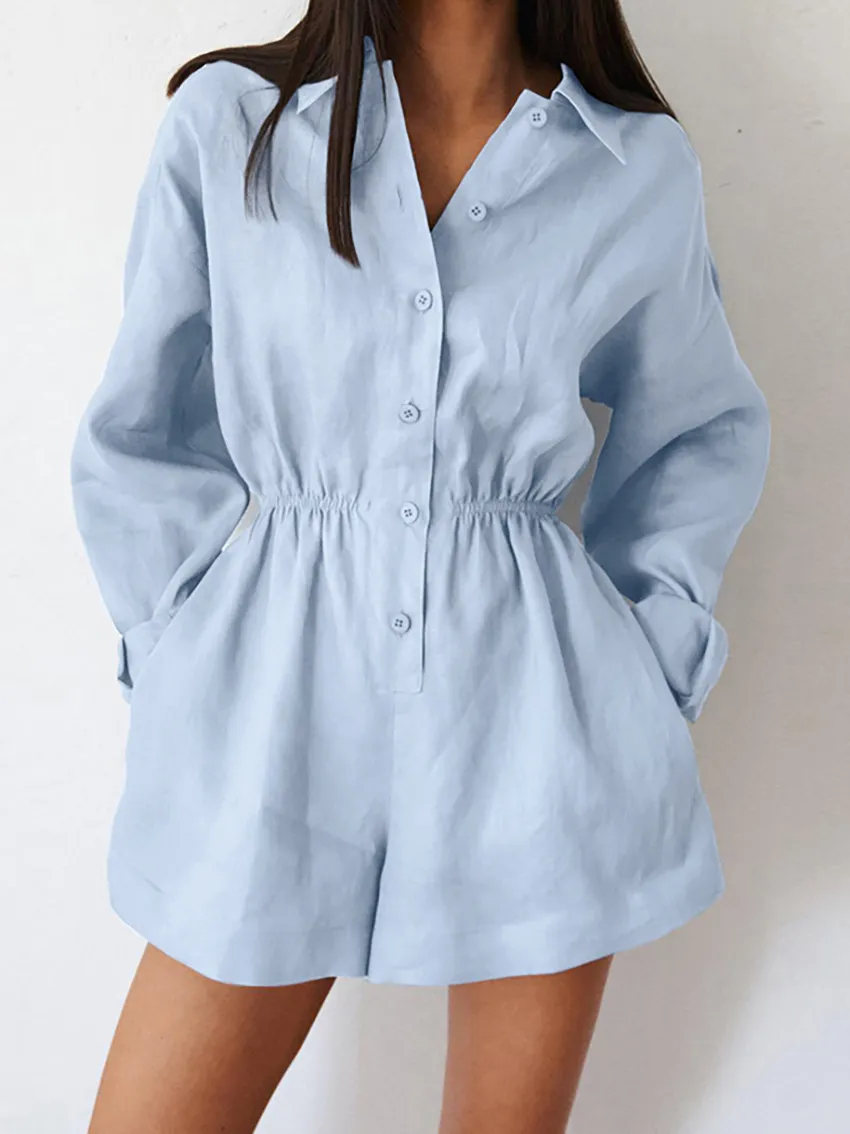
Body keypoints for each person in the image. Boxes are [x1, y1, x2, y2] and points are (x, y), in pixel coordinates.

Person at [70, 1, 771, 1131]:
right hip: (268, 726)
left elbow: (696, 434)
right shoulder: (233, 125)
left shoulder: (633, 164)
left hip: (539, 742)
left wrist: (645, 669)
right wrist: (188, 656)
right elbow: (139, 435)